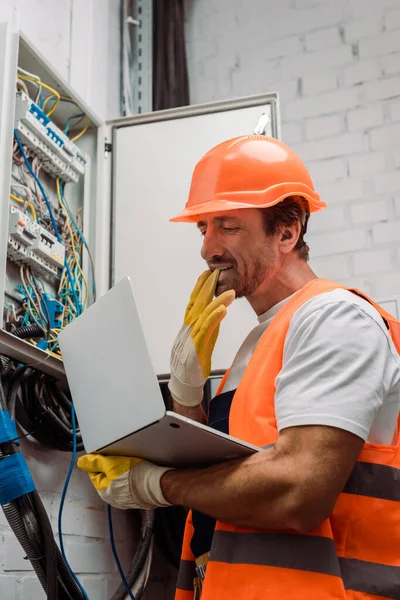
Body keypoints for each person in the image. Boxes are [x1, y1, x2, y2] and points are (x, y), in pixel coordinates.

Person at [78, 136, 400, 600]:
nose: (208, 248)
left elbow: (297, 492)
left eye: (227, 226)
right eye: (203, 227)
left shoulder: (334, 317)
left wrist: (156, 485)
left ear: (287, 233)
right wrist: (187, 395)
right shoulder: (260, 339)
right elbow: (224, 478)